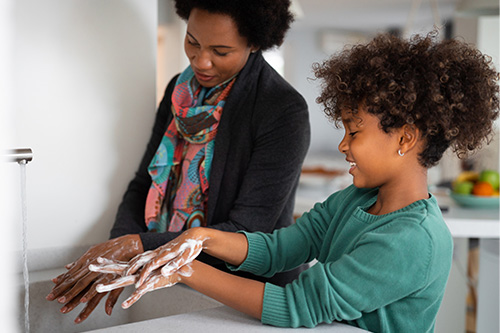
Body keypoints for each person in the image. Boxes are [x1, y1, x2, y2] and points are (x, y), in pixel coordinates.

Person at [91, 31, 499, 332]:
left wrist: (184, 269)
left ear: (406, 138)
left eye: (354, 132)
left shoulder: (413, 239)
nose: (343, 145)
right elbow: (281, 248)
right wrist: (200, 240)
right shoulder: (356, 200)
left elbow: (297, 304)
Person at [46, 0, 310, 324]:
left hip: (247, 294)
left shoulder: (282, 109)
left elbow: (246, 232)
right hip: (172, 273)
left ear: (254, 43)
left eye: (221, 51)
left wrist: (136, 246)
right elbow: (144, 183)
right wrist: (117, 249)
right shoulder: (178, 91)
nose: (201, 61)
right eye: (192, 42)